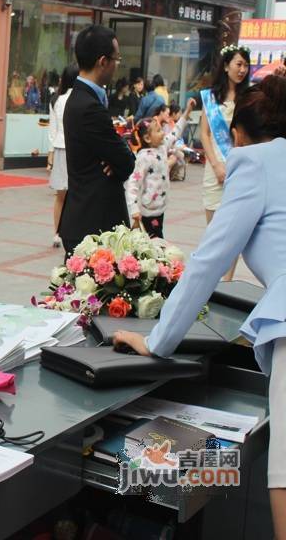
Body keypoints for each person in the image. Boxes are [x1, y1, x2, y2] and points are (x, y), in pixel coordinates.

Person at [113, 74, 286, 540]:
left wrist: (158, 341)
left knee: (285, 470)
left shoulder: (253, 162)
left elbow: (209, 261)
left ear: (239, 137)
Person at [57, 24, 135, 255]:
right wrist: (120, 156)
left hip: (87, 220)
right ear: (103, 61)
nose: (117, 64)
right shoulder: (88, 106)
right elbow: (127, 161)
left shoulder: (83, 98)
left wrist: (117, 158)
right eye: (116, 58)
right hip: (92, 226)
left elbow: (118, 159)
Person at [200, 45, 250, 281]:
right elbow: (205, 133)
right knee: (214, 231)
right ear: (227, 65)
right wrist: (216, 165)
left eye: (245, 65)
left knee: (235, 229)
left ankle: (226, 282)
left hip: (240, 168)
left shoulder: (249, 97)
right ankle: (211, 279)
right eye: (239, 64)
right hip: (214, 169)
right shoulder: (211, 96)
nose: (243, 69)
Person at [47, 64, 79, 248]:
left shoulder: (56, 100)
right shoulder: (79, 98)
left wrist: (50, 153)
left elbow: (53, 129)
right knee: (74, 194)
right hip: (74, 150)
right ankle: (70, 231)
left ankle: (57, 233)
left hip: (59, 147)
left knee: (61, 195)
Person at [124, 117, 169, 238]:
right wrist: (134, 208)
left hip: (159, 207)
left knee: (155, 237)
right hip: (149, 211)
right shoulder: (143, 157)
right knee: (155, 239)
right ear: (147, 138)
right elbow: (132, 184)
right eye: (159, 131)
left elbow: (174, 135)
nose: (163, 133)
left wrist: (186, 115)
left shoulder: (161, 148)